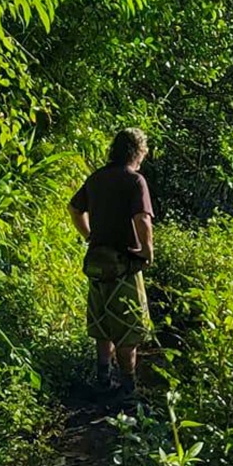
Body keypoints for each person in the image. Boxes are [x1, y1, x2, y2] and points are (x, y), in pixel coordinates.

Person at [68, 128, 154, 396]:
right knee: (128, 330)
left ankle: (103, 378)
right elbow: (142, 220)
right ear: (137, 152)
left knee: (102, 324)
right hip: (124, 267)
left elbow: (74, 209)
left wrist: (89, 235)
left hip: (96, 263)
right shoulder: (135, 181)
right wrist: (147, 252)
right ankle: (128, 387)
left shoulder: (96, 178)